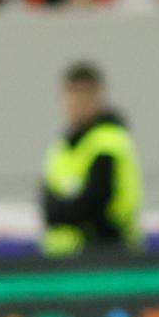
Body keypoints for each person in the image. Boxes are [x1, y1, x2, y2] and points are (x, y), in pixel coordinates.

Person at [41, 61, 142, 255]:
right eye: (72, 94)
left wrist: (65, 210)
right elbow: (47, 203)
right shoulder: (61, 147)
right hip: (62, 259)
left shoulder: (109, 142)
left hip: (107, 254)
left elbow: (95, 202)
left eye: (85, 94)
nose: (77, 102)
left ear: (99, 96)